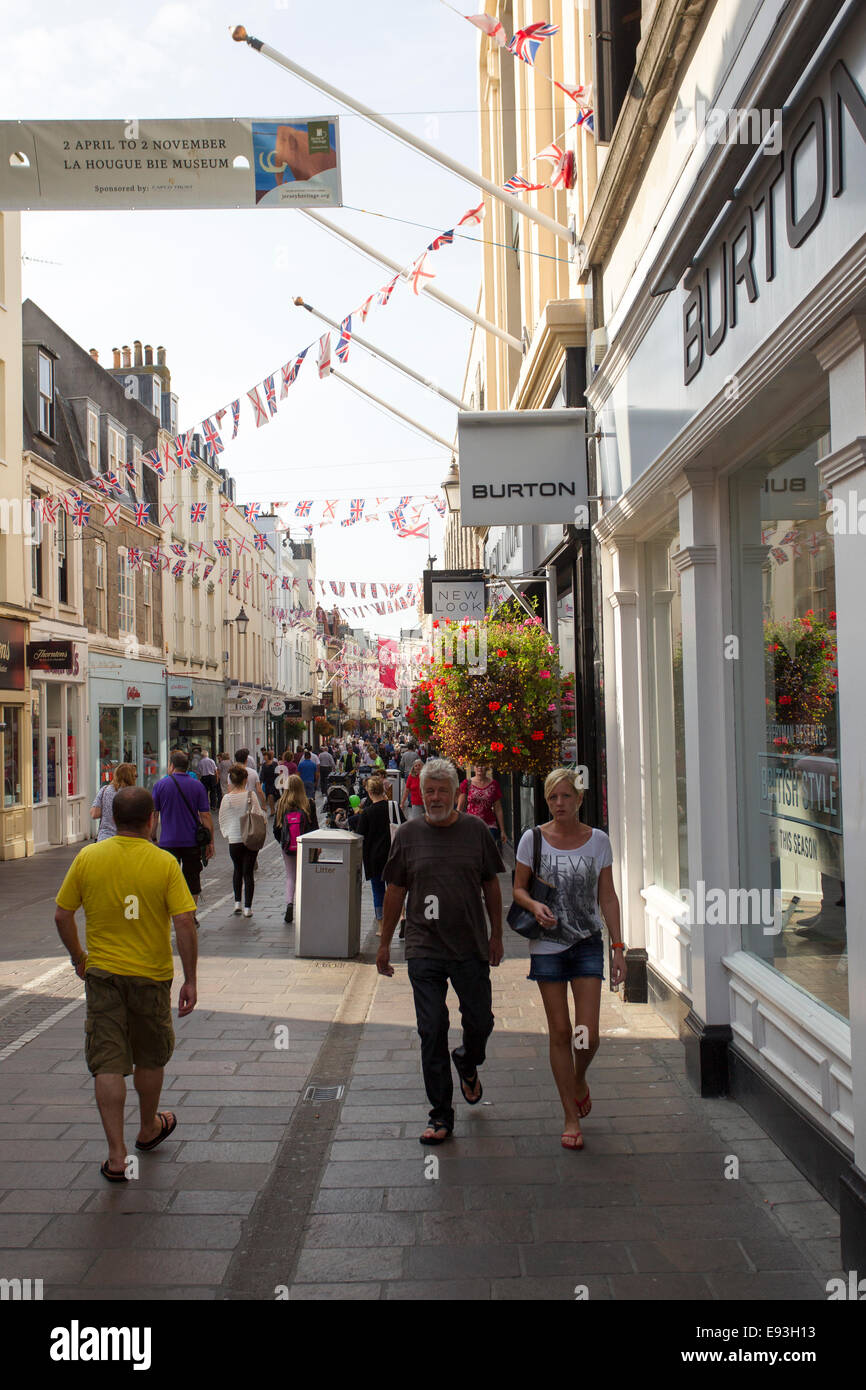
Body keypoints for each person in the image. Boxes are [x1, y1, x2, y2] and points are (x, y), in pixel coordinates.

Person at [54, 786, 198, 1182]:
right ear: (153, 819)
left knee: (108, 1061)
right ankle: (148, 1126)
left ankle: (116, 1157)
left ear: (112, 820)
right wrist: (190, 979)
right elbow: (184, 921)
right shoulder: (165, 863)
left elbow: (62, 916)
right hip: (151, 976)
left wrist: (79, 958)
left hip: (102, 975)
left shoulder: (88, 858)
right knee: (150, 1056)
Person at [377, 758, 504, 1146]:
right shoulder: (409, 835)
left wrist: (496, 934)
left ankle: (468, 1059)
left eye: (442, 791)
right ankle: (440, 1115)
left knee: (480, 1021)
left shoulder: (476, 831)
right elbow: (396, 890)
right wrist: (384, 944)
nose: (434, 797)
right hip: (424, 947)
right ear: (421, 792)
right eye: (429, 790)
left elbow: (491, 886)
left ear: (455, 794)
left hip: (469, 945)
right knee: (431, 1030)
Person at [512, 767, 625, 1151]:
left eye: (566, 797)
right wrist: (534, 904)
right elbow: (518, 889)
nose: (559, 804)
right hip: (547, 944)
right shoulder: (533, 839)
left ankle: (579, 1079)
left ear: (579, 799)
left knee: (587, 1034)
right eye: (553, 798)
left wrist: (619, 946)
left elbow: (607, 896)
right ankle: (570, 1116)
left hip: (587, 942)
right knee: (560, 1032)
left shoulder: (598, 841)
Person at [151, 750, 214, 916]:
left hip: (167, 842)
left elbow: (154, 813)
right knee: (192, 878)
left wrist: (153, 836)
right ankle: (191, 915)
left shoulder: (160, 785)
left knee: (167, 878)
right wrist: (210, 842)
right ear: (187, 767)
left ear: (171, 766)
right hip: (192, 840)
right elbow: (205, 815)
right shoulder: (197, 786)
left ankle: (169, 913)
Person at [218, 764, 265, 918]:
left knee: (237, 870)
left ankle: (237, 903)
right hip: (250, 838)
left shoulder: (227, 798)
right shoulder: (251, 796)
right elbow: (258, 815)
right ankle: (248, 908)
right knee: (248, 873)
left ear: (231, 780)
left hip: (234, 839)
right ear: (245, 780)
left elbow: (222, 818)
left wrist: (228, 833)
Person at [273, 773, 318, 923]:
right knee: (305, 876)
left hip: (288, 847)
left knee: (290, 876)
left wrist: (283, 842)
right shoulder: (309, 803)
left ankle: (289, 904)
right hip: (306, 845)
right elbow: (315, 827)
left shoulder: (281, 804)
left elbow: (276, 829)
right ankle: (305, 906)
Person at [356, 776, 393, 929]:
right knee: (394, 889)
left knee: (378, 891)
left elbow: (359, 836)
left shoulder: (367, 813)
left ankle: (381, 925)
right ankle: (402, 915)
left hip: (374, 857)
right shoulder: (392, 808)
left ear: (370, 793)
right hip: (393, 855)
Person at [457, 764, 508, 847]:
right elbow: (460, 808)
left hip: (489, 825)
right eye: (477, 765)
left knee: (487, 852)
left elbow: (498, 809)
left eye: (482, 765)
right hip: (471, 824)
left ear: (487, 767)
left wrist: (502, 830)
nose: (480, 768)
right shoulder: (467, 783)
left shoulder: (494, 785)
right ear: (474, 767)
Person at [90, 763, 136, 840]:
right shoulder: (132, 793)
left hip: (105, 838)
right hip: (125, 839)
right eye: (135, 776)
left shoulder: (104, 790)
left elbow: (94, 814)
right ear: (130, 777)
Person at [259, 749, 278, 816]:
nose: (264, 757)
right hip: (267, 783)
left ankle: (273, 809)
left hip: (274, 782)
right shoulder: (264, 765)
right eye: (263, 756)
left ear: (268, 756)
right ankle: (272, 809)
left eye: (265, 756)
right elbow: (262, 774)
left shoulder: (274, 764)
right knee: (269, 796)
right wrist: (260, 782)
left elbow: (278, 772)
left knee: (273, 796)